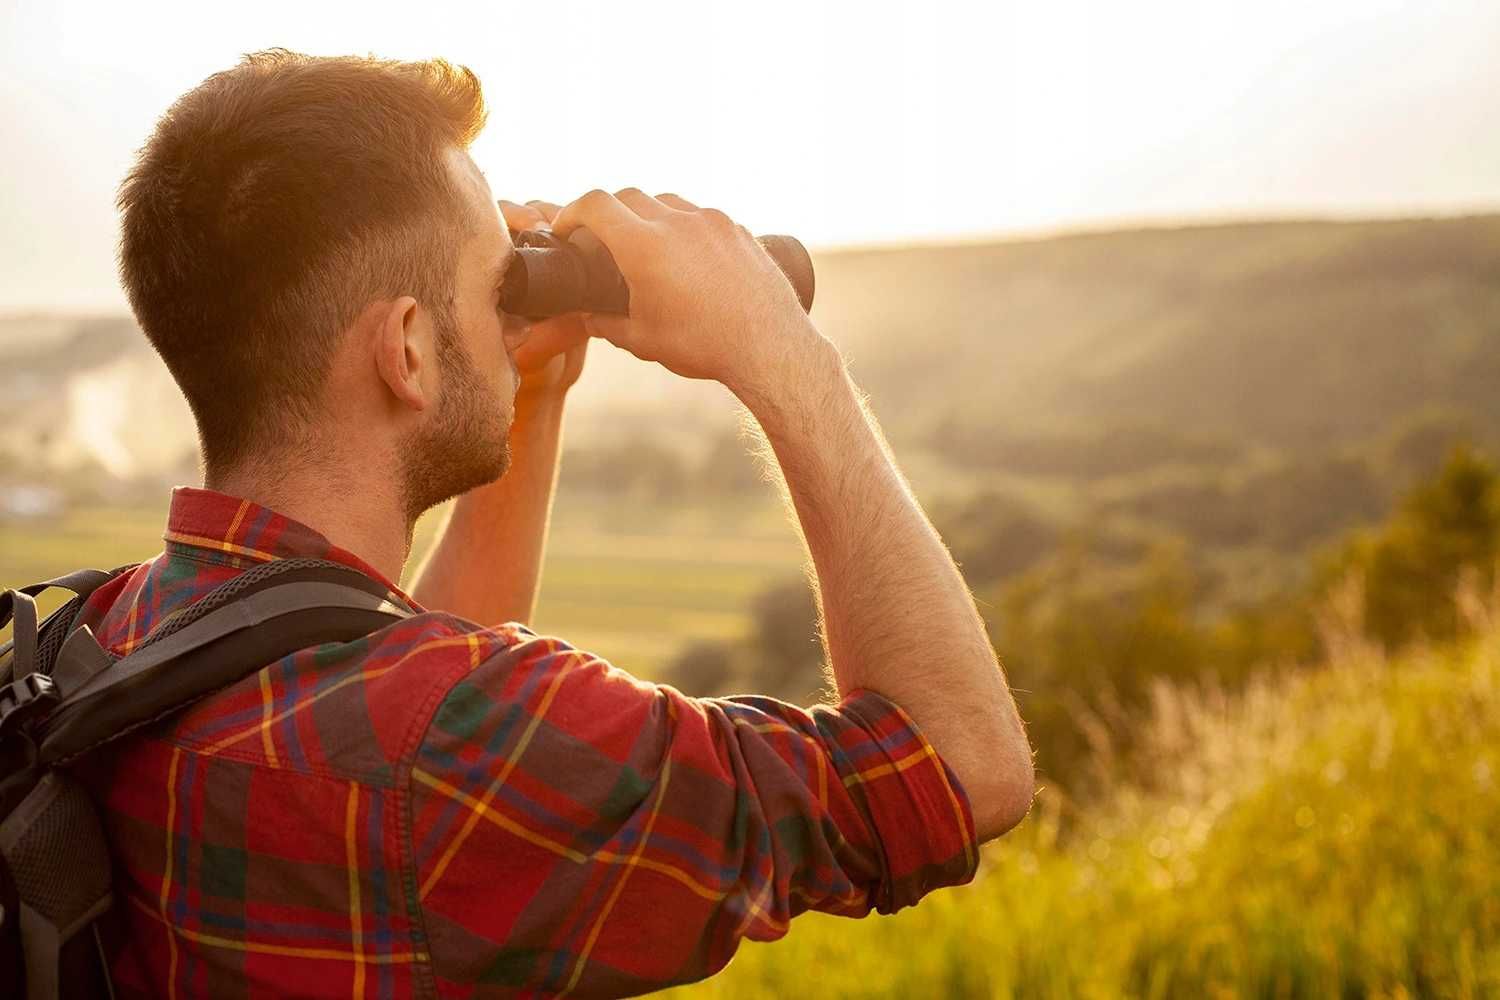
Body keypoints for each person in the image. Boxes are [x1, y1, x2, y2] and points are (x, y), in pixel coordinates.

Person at [70, 49, 1034, 998]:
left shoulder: (111, 635)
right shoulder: (450, 745)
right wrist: (776, 345)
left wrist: (528, 395)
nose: (509, 312)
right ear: (408, 348)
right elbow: (962, 771)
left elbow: (397, 662)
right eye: (499, 285)